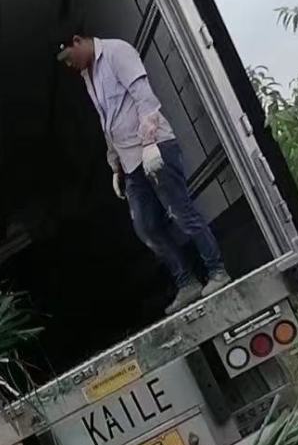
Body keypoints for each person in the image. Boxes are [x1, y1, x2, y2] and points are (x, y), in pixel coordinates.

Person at [57, 29, 230, 316]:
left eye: (68, 56)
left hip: (154, 147)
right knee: (146, 227)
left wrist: (150, 141)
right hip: (130, 162)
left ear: (77, 40)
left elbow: (144, 97)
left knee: (181, 212)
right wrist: (114, 163)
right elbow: (107, 120)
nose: (68, 64)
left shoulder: (116, 51)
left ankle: (217, 271)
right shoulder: (88, 75)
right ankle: (186, 283)